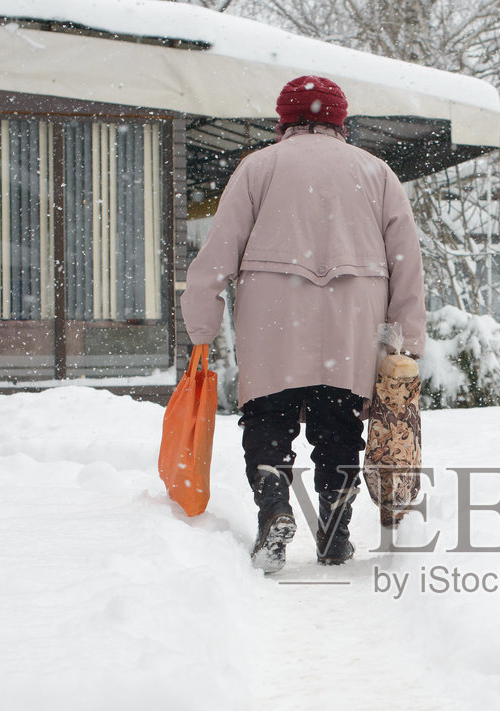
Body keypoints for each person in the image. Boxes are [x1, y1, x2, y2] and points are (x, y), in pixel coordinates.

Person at [180, 75, 426, 572]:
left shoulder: (258, 168)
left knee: (267, 420)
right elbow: (407, 259)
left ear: (284, 120)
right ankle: (334, 529)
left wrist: (201, 328)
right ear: (341, 121)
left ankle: (274, 509)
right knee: (338, 427)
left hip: (274, 318)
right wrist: (407, 337)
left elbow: (217, 254)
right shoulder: (376, 172)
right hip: (351, 321)